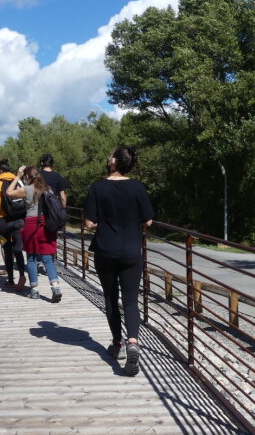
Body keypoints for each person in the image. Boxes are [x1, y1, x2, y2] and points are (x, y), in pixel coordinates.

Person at [84, 146, 154, 377]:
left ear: (113, 162)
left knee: (111, 298)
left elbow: (89, 224)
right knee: (131, 300)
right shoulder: (137, 187)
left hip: (105, 250)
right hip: (131, 250)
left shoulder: (97, 187)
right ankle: (133, 341)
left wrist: (103, 222)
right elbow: (149, 221)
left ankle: (118, 344)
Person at [6, 165, 62, 302]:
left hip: (31, 224)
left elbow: (8, 192)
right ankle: (55, 288)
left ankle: (34, 290)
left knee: (31, 258)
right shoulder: (47, 189)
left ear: (26, 177)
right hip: (46, 225)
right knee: (48, 258)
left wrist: (17, 175)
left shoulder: (27, 189)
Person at [0, 158, 27, 291]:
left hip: (3, 222)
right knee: (18, 248)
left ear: (0, 171)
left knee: (6, 248)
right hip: (19, 219)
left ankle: (10, 280)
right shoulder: (18, 181)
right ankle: (22, 274)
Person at [38, 153, 68, 274]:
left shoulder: (37, 175)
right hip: (53, 212)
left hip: (39, 210)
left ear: (42, 163)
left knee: (39, 237)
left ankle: (39, 261)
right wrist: (62, 210)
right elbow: (63, 197)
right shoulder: (58, 177)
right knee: (51, 238)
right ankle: (50, 262)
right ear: (52, 164)